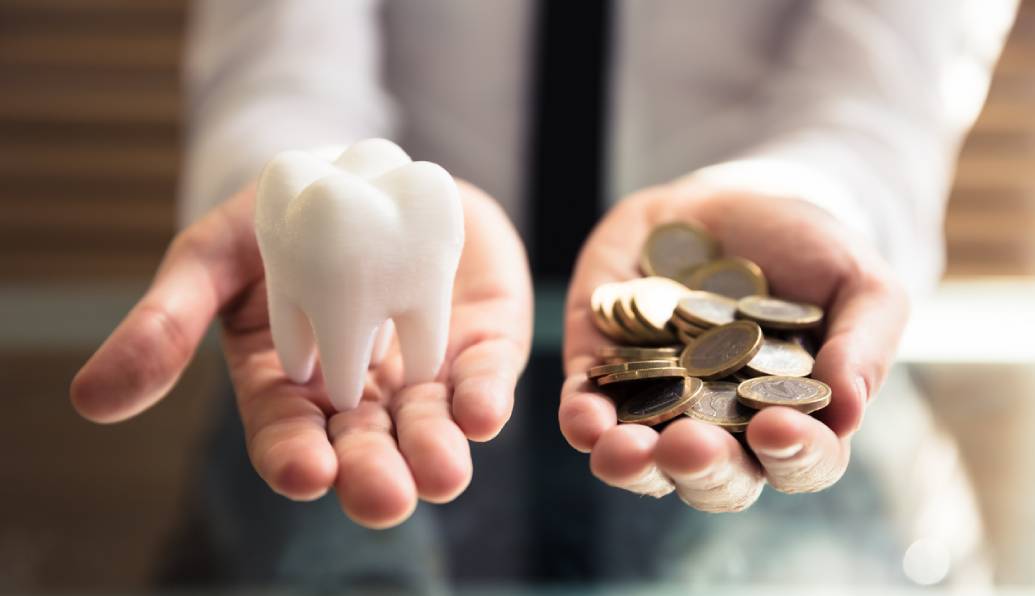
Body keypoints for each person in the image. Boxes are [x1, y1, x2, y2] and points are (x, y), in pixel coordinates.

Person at [70, 0, 1016, 589]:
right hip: (417, 264)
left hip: (755, 332)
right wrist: (293, 189)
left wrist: (812, 204)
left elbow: (882, 94)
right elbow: (281, 60)